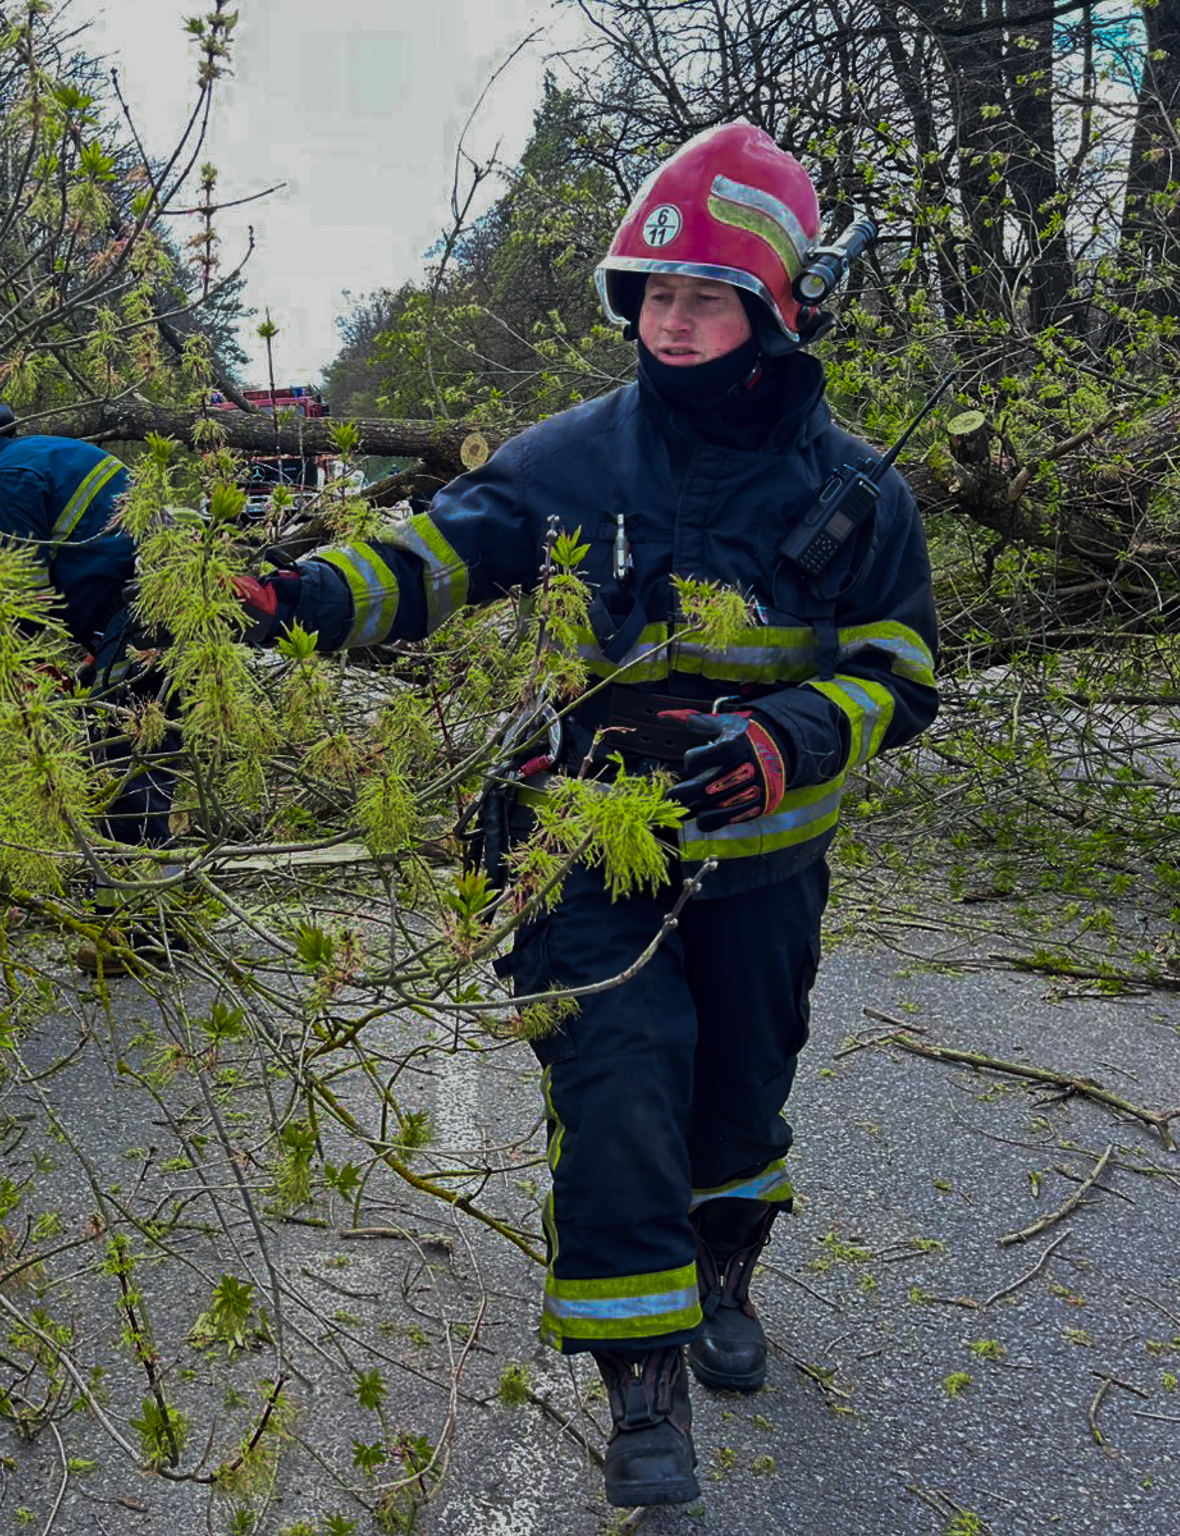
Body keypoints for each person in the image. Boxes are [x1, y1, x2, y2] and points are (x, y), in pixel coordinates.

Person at [236, 123, 939, 1507]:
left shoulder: (856, 492)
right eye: (655, 296)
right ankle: (641, 1389)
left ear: (780, 311)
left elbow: (902, 672)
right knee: (615, 1100)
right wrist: (301, 596)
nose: (672, 326)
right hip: (578, 849)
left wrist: (791, 738)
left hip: (762, 870)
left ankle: (723, 1274)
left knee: (737, 1101)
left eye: (706, 300)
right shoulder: (572, 458)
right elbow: (430, 560)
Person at [0, 404, 184, 968]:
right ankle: (156, 919)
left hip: (139, 620)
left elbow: (22, 598)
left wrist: (8, 675)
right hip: (145, 613)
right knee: (136, 767)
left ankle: (140, 935)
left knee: (124, 770)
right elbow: (90, 560)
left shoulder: (7, 478)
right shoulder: (40, 455)